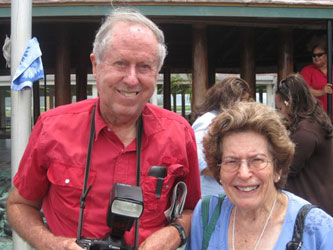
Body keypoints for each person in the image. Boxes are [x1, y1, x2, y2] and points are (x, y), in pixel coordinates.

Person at [6, 8, 201, 250]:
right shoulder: (51, 127)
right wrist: (53, 244)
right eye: (120, 63)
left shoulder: (179, 133)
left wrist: (174, 233)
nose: (131, 79)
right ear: (96, 66)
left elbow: (193, 209)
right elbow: (19, 205)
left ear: (157, 72)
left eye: (144, 66)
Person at [186, 101, 333, 250]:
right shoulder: (206, 214)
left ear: (277, 168)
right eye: (231, 161)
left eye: (257, 160)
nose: (243, 173)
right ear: (219, 170)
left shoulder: (318, 231)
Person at [275, 73, 333, 215]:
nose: (282, 113)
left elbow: (287, 169)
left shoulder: (306, 132)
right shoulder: (315, 122)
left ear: (289, 102)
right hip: (320, 199)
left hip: (311, 205)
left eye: (280, 108)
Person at [191, 77, 251, 197]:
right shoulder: (208, 120)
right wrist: (231, 174)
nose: (246, 105)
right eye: (243, 100)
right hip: (212, 193)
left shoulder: (228, 120)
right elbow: (199, 161)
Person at [300, 35, 333, 116]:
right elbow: (304, 90)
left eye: (319, 55)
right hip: (316, 117)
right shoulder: (307, 70)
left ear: (327, 55)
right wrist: (322, 92)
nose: (316, 57)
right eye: (313, 55)